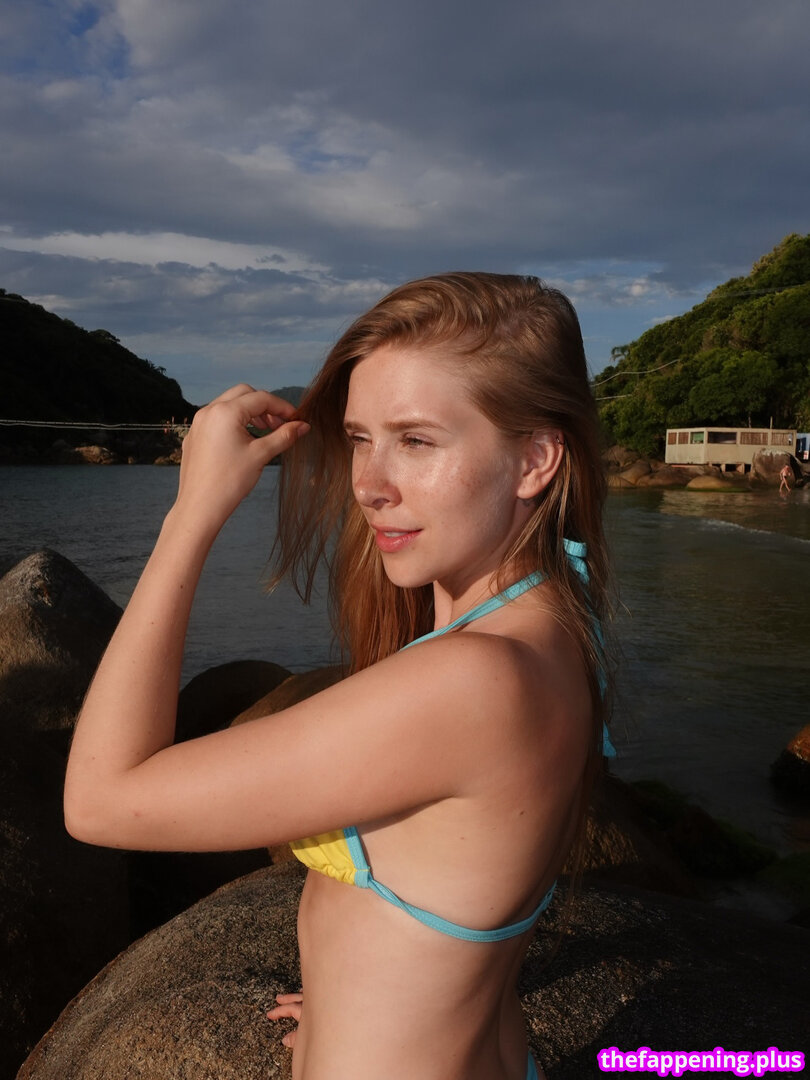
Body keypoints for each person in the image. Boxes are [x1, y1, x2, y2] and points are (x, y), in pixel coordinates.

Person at [64, 272, 613, 1080]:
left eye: (416, 440)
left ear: (535, 460)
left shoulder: (473, 681)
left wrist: (192, 513)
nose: (368, 485)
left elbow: (101, 800)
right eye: (360, 438)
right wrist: (355, 999)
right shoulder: (553, 619)